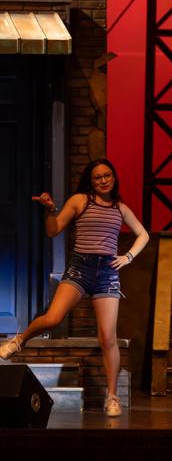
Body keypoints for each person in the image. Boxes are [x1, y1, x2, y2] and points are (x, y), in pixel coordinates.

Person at [0, 157, 148, 418]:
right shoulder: (80, 201)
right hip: (81, 269)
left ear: (114, 178)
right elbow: (53, 230)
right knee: (53, 318)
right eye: (97, 177)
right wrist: (50, 210)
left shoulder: (120, 208)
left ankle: (112, 397)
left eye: (107, 176)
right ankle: (18, 341)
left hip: (107, 273)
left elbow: (143, 234)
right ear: (91, 181)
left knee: (108, 337)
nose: (103, 181)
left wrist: (128, 257)